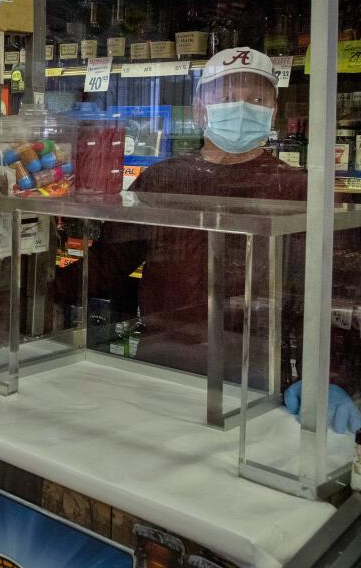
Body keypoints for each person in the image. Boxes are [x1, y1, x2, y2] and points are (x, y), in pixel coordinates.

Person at [60, 47, 361, 433]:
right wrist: (38, 292)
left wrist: (332, 377)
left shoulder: (301, 190)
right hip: (163, 360)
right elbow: (108, 263)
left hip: (259, 371)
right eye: (227, 97)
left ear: (274, 111)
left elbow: (336, 297)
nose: (241, 108)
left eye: (255, 99)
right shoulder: (162, 181)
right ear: (200, 109)